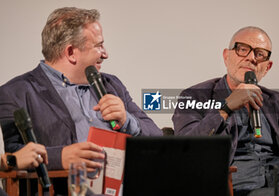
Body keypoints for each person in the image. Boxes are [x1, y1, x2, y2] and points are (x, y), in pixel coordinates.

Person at [0, 7, 162, 194]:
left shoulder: (111, 84)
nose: (105, 54)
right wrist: (60, 157)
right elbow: (16, 157)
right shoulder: (16, 92)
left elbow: (158, 140)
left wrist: (128, 120)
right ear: (71, 52)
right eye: (98, 46)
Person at [172, 26, 279, 195]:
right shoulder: (197, 96)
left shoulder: (278, 102)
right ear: (226, 56)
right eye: (242, 49)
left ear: (267, 67)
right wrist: (226, 107)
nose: (251, 58)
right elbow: (186, 150)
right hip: (235, 187)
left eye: (260, 54)